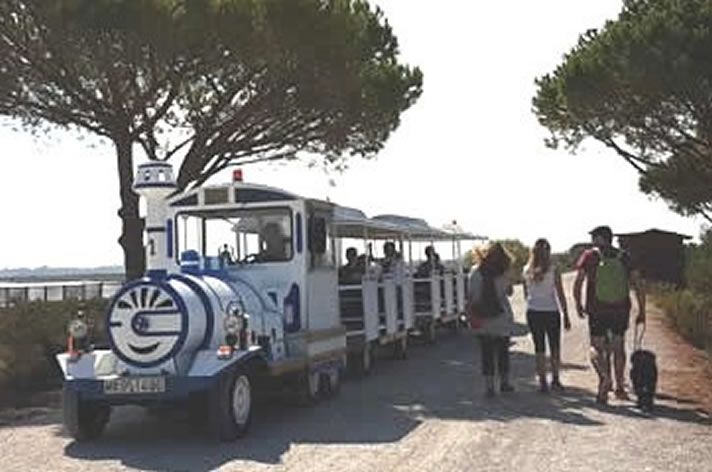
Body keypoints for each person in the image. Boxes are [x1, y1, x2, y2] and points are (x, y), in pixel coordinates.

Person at [573, 225, 646, 404]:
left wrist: (578, 304)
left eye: (593, 237)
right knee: (618, 346)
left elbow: (578, 282)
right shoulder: (624, 257)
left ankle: (605, 378)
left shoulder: (589, 256)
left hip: (596, 309)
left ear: (599, 238)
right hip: (620, 308)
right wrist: (642, 310)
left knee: (596, 347)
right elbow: (638, 284)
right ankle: (619, 386)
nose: (591, 240)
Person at [468, 242, 521, 398]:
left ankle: (489, 387)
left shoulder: (475, 272)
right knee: (503, 352)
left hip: (482, 317)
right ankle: (504, 383)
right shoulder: (503, 272)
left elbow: (471, 295)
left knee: (487, 354)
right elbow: (509, 292)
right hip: (501, 317)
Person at [522, 238, 571, 393]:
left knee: (539, 348)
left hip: (533, 311)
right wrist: (566, 313)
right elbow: (560, 293)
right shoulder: (553, 269)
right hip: (551, 311)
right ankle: (555, 379)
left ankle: (542, 381)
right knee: (554, 346)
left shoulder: (526, 270)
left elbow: (525, 294)